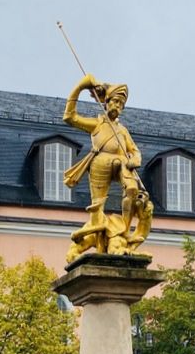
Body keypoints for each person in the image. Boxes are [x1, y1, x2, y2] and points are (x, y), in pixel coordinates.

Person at [62, 72, 147, 262]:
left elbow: (135, 151)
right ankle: (96, 238)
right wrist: (80, 86)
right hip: (99, 164)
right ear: (106, 101)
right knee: (97, 208)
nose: (117, 106)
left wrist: (136, 159)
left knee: (132, 187)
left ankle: (122, 231)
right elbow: (69, 117)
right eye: (114, 101)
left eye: (120, 104)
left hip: (120, 164)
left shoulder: (122, 131)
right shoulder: (97, 124)